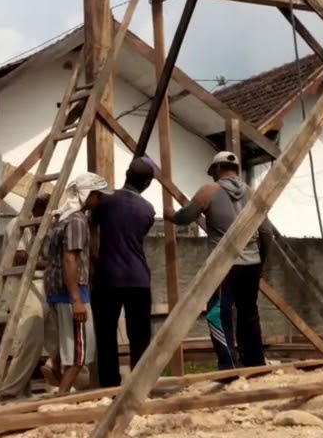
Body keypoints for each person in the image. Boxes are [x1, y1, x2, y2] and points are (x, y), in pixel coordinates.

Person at [169, 151, 272, 369]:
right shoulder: (253, 194)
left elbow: (186, 216)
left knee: (218, 312)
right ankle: (254, 362)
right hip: (251, 264)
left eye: (212, 173)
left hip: (223, 267)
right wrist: (261, 262)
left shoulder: (209, 191)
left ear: (217, 169)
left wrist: (170, 215)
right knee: (249, 313)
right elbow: (266, 232)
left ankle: (228, 365)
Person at [91, 157, 158, 388]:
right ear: (147, 183)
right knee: (139, 337)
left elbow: (92, 227)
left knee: (106, 336)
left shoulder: (105, 201)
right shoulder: (148, 209)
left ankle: (110, 386)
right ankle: (139, 386)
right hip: (138, 280)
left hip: (108, 278)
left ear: (127, 175)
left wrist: (93, 258)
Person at [44, 172, 111, 393]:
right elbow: (70, 258)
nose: (100, 200)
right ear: (87, 195)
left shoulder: (61, 219)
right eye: (97, 195)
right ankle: (61, 398)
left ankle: (57, 378)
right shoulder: (76, 221)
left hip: (55, 290)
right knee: (79, 354)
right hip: (70, 292)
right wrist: (77, 300)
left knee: (69, 347)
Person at [0, 194, 55, 400]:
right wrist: (51, 265)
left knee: (57, 336)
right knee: (31, 334)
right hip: (20, 282)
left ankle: (58, 376)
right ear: (36, 210)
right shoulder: (19, 224)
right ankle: (10, 390)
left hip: (41, 283)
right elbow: (20, 258)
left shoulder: (47, 227)